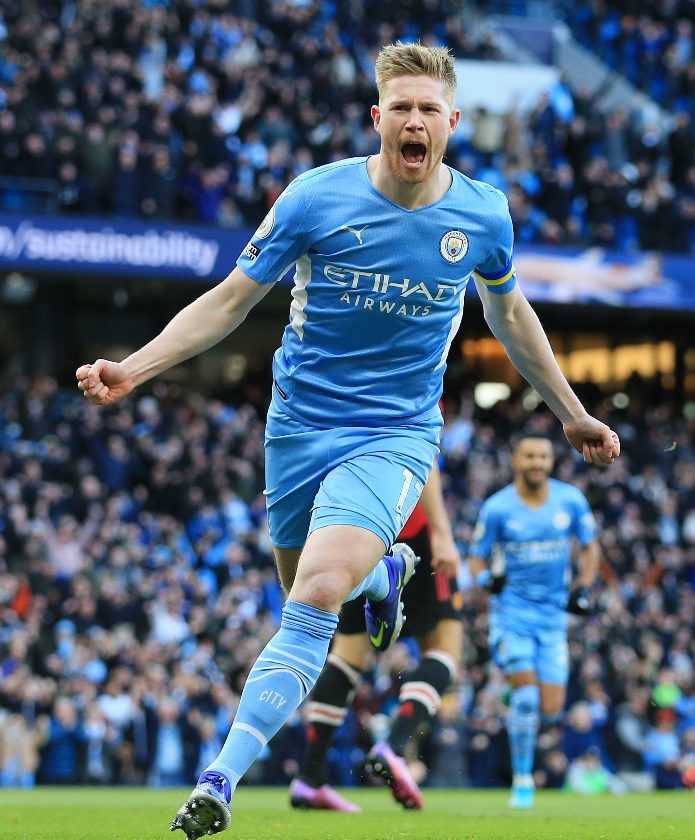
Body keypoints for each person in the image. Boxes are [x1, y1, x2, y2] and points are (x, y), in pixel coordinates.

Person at [76, 42, 620, 839]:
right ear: (376, 118)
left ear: (451, 122)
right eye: (400, 107)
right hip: (297, 429)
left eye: (427, 109)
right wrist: (136, 368)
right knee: (305, 599)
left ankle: (219, 779)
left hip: (394, 432)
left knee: (315, 595)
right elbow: (230, 300)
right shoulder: (314, 197)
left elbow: (509, 314)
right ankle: (381, 577)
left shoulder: (482, 213)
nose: (413, 120)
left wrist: (569, 411)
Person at [289, 461, 462, 812]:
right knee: (444, 649)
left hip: (354, 526)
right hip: (412, 529)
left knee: (348, 654)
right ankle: (394, 746)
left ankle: (310, 777)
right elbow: (424, 459)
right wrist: (443, 534)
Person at [468, 435, 601, 810]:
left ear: (551, 461)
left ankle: (511, 694)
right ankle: (523, 781)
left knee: (551, 708)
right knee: (527, 699)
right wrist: (486, 580)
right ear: (516, 460)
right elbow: (476, 557)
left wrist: (583, 587)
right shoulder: (498, 507)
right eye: (530, 456)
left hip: (553, 618)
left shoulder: (570, 500)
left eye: (543, 456)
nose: (537, 462)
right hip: (512, 616)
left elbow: (590, 546)